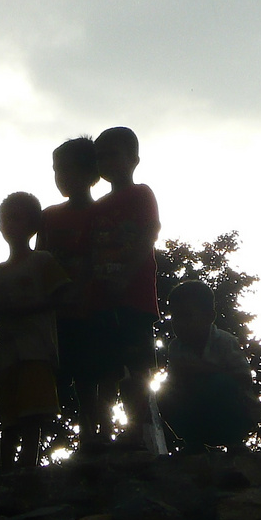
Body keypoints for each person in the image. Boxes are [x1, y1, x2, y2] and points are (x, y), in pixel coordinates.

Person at [0, 192, 70, 469]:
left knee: (33, 418)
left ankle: (27, 468)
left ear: (33, 225)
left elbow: (63, 296)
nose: (8, 224)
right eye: (4, 219)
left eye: (15, 218)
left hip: (36, 351)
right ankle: (6, 470)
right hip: (7, 355)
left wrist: (28, 307)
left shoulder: (42, 261)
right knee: (9, 419)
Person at [89, 126, 162, 448]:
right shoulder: (98, 207)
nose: (106, 161)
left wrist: (125, 276)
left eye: (112, 153)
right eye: (100, 156)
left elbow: (148, 236)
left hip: (135, 299)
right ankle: (105, 436)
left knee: (138, 369)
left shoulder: (141, 193)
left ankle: (143, 432)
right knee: (105, 371)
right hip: (104, 302)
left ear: (134, 159)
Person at [38, 137, 104, 453]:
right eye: (56, 170)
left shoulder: (102, 213)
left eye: (67, 169)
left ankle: (94, 437)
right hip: (55, 314)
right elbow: (37, 260)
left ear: (91, 173)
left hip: (92, 312)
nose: (61, 177)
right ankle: (40, 449)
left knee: (91, 379)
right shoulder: (48, 216)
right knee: (50, 383)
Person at [159, 281, 260, 452]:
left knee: (220, 384)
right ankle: (193, 442)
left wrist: (205, 371)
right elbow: (172, 384)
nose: (179, 324)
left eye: (186, 316)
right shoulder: (176, 347)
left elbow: (244, 379)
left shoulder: (225, 342)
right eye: (175, 317)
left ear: (209, 317)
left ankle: (234, 441)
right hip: (196, 411)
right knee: (163, 395)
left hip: (231, 412)